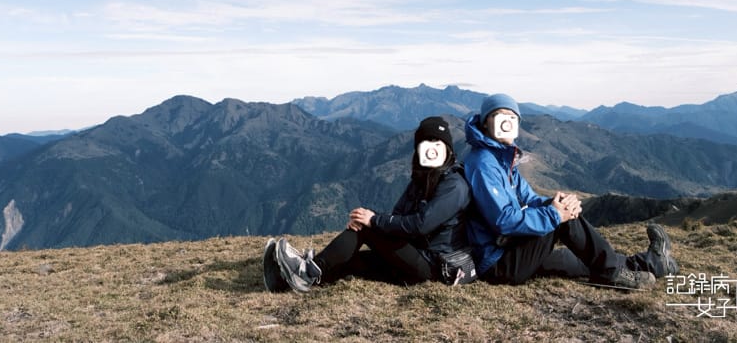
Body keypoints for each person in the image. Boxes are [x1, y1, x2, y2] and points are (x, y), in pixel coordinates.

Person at [464, 93, 679, 289]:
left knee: (583, 258)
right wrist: (557, 213)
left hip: (511, 250)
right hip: (498, 264)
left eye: (512, 118)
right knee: (564, 220)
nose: (507, 123)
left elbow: (529, 198)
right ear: (485, 124)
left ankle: (654, 264)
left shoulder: (502, 161)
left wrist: (555, 202)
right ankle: (613, 275)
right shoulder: (484, 163)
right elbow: (503, 220)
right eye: (500, 116)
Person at [264, 116, 474, 292]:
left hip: (437, 268)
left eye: (439, 145)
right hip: (418, 256)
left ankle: (305, 272)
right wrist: (372, 219)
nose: (433, 151)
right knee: (352, 261)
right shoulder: (422, 180)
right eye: (427, 145)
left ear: (448, 150)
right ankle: (287, 283)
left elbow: (421, 225)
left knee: (365, 227)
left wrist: (372, 220)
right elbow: (398, 215)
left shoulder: (454, 186)